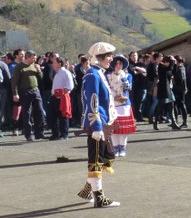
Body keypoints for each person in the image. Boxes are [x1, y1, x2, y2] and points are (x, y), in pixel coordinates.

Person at [76, 42, 120, 208]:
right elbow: (92, 102)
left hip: (103, 124)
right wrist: (96, 126)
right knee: (96, 161)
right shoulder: (92, 75)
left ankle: (87, 191)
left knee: (107, 157)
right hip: (97, 125)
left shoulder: (98, 73)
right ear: (100, 57)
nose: (111, 59)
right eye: (108, 56)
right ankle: (99, 198)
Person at [12, 50, 45, 141]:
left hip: (35, 90)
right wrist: (15, 93)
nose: (35, 60)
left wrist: (39, 70)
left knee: (39, 111)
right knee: (27, 113)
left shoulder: (34, 66)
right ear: (27, 57)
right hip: (25, 92)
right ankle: (28, 134)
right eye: (33, 58)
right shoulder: (19, 67)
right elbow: (14, 82)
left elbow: (41, 78)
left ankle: (39, 133)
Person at [107, 55, 136, 155]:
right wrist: (113, 95)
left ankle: (122, 148)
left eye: (120, 64)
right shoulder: (108, 76)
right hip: (113, 104)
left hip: (124, 104)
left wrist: (124, 79)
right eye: (117, 64)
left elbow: (128, 88)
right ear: (114, 65)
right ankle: (115, 148)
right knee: (113, 128)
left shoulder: (127, 76)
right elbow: (107, 89)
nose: (118, 66)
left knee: (123, 128)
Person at [50, 57, 74, 140]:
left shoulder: (66, 73)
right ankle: (55, 133)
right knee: (54, 116)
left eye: (54, 63)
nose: (53, 64)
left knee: (63, 116)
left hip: (62, 97)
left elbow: (70, 86)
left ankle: (64, 134)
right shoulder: (57, 73)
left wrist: (61, 93)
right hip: (54, 96)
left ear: (60, 64)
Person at [153, 55, 175, 131]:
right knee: (160, 107)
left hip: (168, 89)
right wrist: (173, 61)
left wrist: (174, 63)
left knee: (171, 106)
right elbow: (170, 68)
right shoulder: (161, 67)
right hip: (163, 90)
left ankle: (174, 123)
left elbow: (173, 71)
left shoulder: (166, 68)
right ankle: (155, 122)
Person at [171, 55, 189, 129]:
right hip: (179, 88)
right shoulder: (180, 67)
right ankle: (175, 121)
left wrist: (173, 79)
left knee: (181, 104)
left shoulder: (181, 68)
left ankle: (184, 122)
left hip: (180, 89)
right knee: (175, 105)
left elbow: (180, 79)